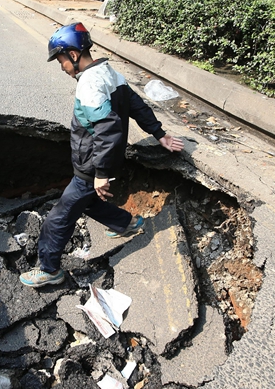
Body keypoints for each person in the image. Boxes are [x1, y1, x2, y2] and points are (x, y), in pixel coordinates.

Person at [19, 23, 185, 288]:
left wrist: (101, 174)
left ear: (73, 55)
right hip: (103, 160)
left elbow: (107, 130)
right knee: (88, 202)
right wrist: (159, 134)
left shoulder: (89, 84)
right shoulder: (110, 73)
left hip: (92, 164)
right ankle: (128, 223)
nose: (62, 67)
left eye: (61, 60)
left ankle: (49, 270)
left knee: (59, 217)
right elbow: (137, 106)